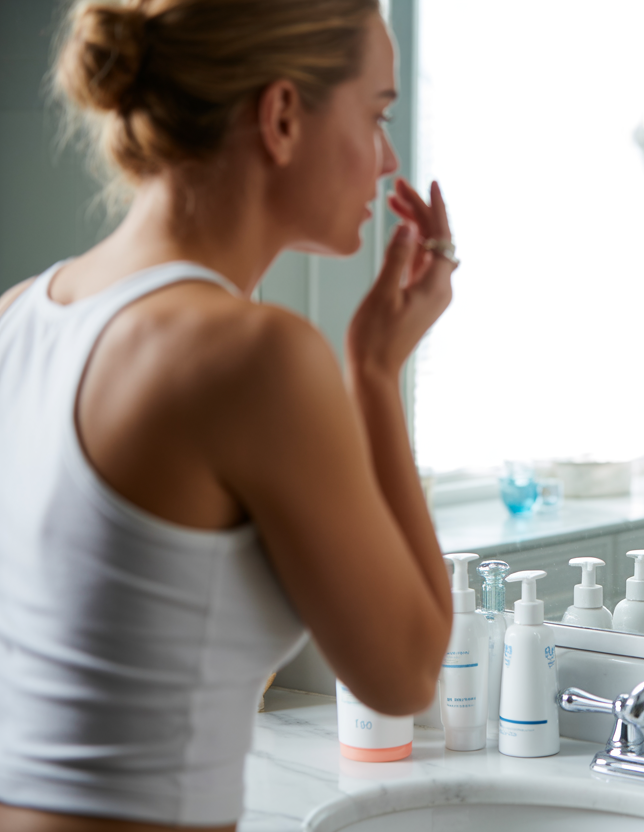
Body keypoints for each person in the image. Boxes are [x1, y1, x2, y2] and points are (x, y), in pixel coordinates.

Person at [0, 1, 455, 829]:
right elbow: (407, 674)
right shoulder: (253, 359)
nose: (387, 161)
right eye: (376, 114)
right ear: (282, 115)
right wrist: (377, 374)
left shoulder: (20, 316)